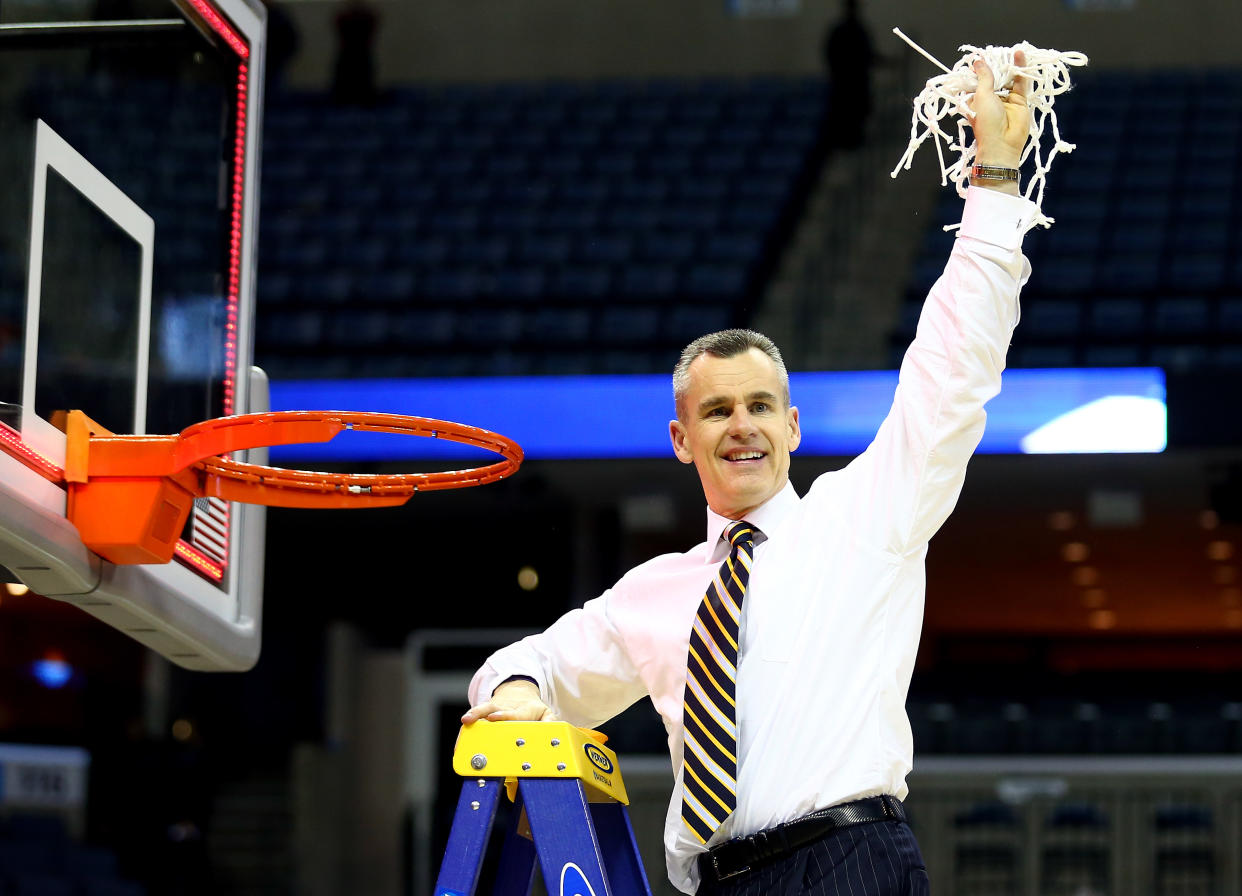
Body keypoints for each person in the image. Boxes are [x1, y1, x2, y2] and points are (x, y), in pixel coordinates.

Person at [463, 54, 1038, 895]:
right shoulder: (653, 591)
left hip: (851, 863)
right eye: (718, 411)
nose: (743, 427)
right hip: (719, 884)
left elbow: (952, 370)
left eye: (762, 406)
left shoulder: (864, 516)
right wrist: (514, 690)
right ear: (680, 438)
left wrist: (993, 180)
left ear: (793, 426)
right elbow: (538, 662)